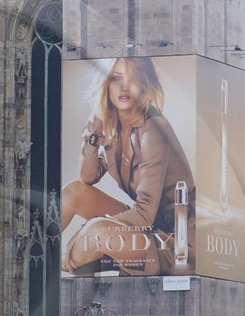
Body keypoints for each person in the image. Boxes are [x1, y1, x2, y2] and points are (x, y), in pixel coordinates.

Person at [61, 59, 194, 276]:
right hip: (146, 225)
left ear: (144, 84)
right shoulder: (114, 124)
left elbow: (144, 216)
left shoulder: (153, 129)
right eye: (117, 78)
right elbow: (87, 178)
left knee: (93, 234)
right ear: (106, 83)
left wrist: (87, 229)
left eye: (133, 78)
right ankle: (32, 255)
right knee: (73, 193)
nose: (124, 87)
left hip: (173, 239)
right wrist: (92, 137)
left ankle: (58, 268)